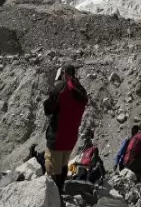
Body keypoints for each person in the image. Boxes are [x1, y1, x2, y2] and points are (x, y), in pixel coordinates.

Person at [43, 64, 89, 194]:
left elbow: (48, 107)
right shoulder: (82, 92)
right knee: (63, 166)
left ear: (65, 74)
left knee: (52, 169)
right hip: (71, 138)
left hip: (57, 137)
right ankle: (60, 192)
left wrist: (56, 85)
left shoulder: (61, 88)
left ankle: (54, 197)